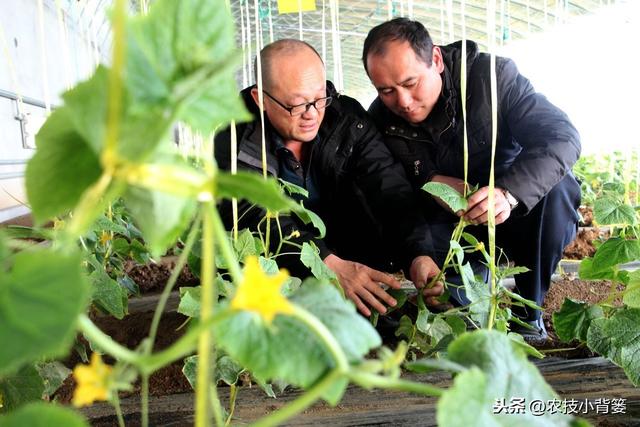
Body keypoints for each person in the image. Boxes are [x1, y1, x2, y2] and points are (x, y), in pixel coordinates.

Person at [362, 18, 581, 341]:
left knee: (557, 190)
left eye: (411, 83)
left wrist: (507, 193)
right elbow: (394, 195)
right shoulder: (380, 119)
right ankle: (463, 308)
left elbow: (562, 137)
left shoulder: (491, 78)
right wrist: (418, 248)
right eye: (387, 91)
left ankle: (528, 313)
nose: (403, 102)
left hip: (513, 214)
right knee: (456, 311)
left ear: (435, 60)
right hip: (449, 227)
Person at [215, 39, 444, 317]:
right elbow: (254, 215)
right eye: (296, 105)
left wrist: (417, 252)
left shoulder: (348, 119)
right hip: (277, 270)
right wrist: (327, 264)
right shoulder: (235, 138)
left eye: (319, 98)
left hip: (348, 255)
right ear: (260, 98)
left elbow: (388, 186)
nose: (312, 114)